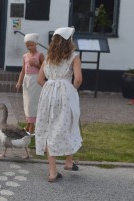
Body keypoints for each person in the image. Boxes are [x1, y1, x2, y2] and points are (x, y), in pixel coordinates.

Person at [35, 27, 83, 183]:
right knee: (69, 124)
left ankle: (56, 169)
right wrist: (70, 90)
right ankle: (62, 166)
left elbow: (40, 80)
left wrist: (51, 89)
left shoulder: (48, 57)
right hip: (65, 94)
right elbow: (78, 80)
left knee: (50, 128)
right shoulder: (74, 57)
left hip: (48, 95)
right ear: (69, 41)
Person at [16, 33, 44, 134]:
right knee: (27, 103)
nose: (29, 47)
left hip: (36, 81)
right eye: (27, 45)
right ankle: (29, 124)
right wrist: (19, 81)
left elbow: (45, 68)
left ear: (36, 44)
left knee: (33, 103)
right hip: (27, 81)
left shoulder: (40, 55)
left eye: (31, 45)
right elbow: (23, 70)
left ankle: (32, 126)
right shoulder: (25, 56)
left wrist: (36, 64)